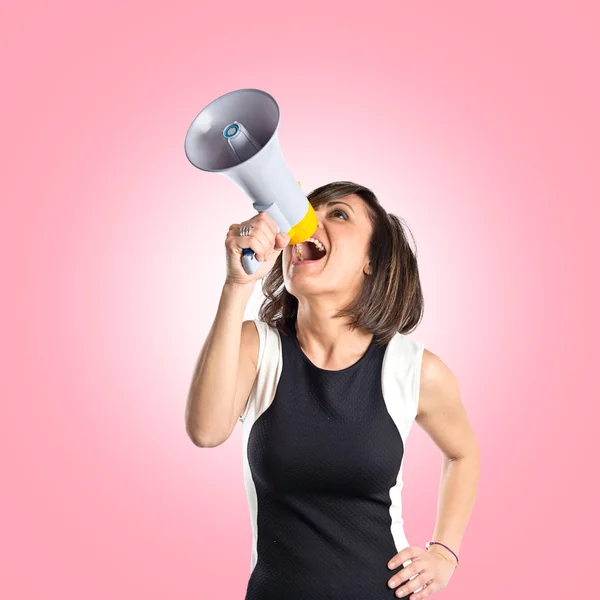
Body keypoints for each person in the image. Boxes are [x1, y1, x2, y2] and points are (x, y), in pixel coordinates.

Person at [185, 181, 480, 600]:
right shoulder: (258, 347)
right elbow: (206, 430)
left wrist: (444, 554)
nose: (306, 226)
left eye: (337, 214)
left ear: (372, 263)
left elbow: (464, 454)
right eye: (303, 215)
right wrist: (237, 285)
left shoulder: (413, 369)